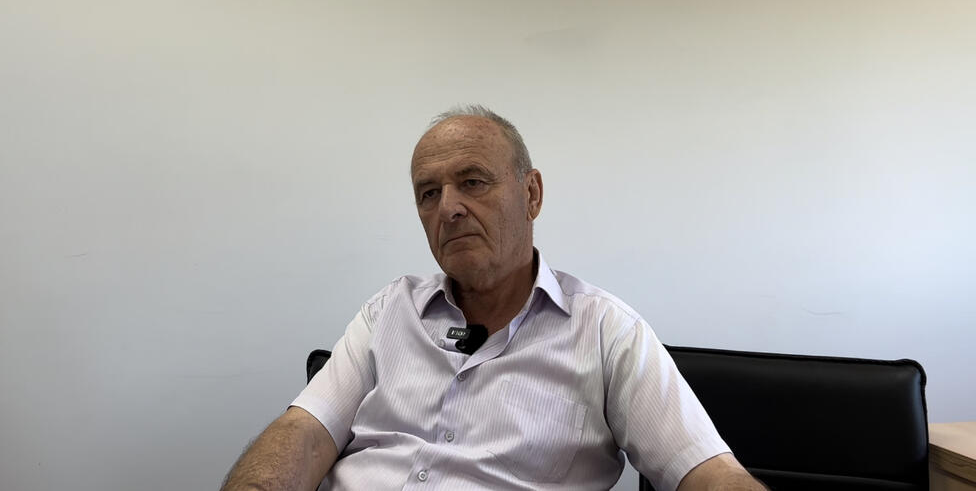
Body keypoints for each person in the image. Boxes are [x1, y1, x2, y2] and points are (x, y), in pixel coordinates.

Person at [222, 106, 766, 491]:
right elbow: (304, 432)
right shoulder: (388, 311)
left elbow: (707, 473)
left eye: (473, 182)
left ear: (531, 194)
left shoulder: (607, 333)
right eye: (428, 193)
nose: (448, 208)